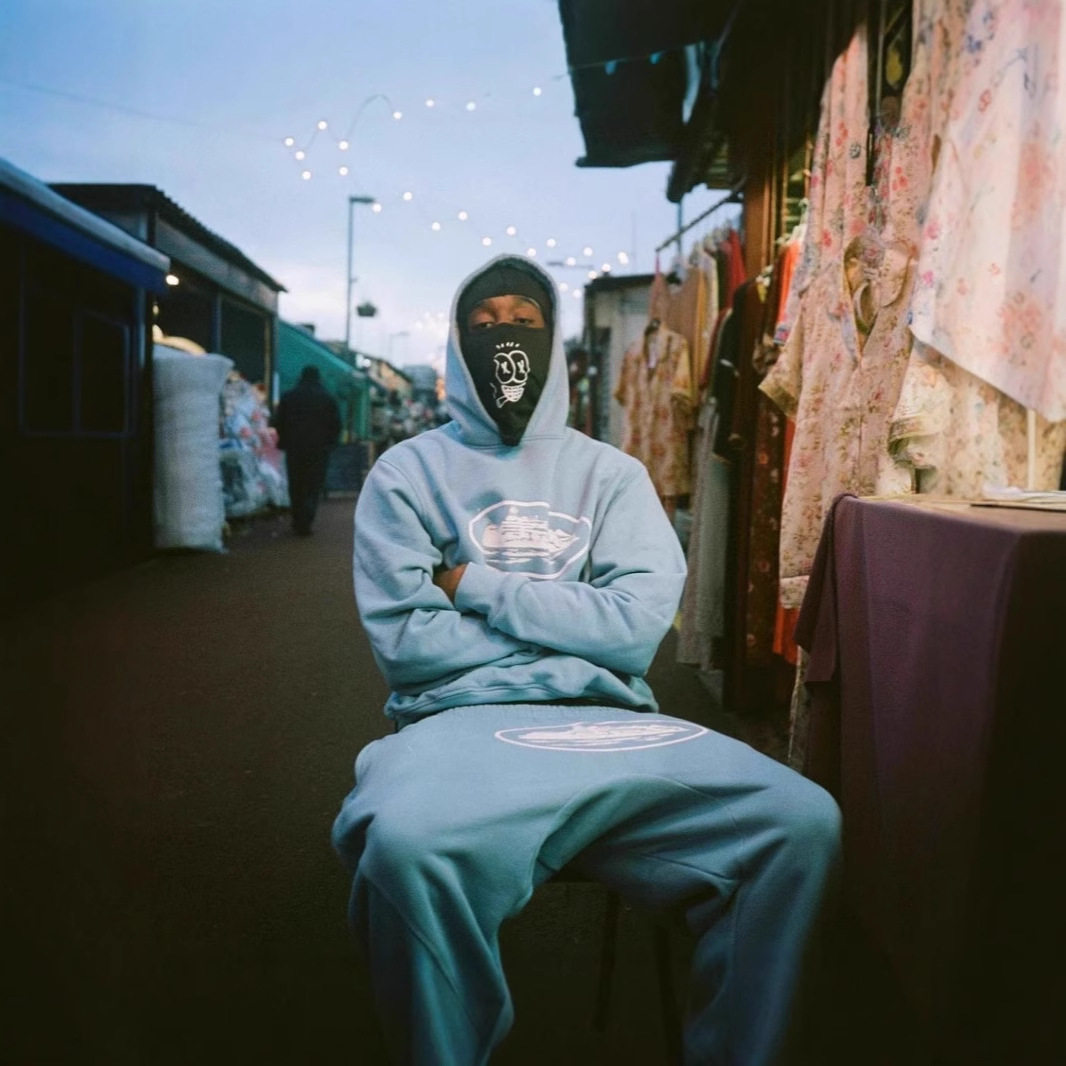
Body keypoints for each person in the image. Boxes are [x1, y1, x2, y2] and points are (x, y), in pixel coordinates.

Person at [331, 255, 841, 1065]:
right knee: (404, 844)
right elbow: (410, 647)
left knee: (800, 822)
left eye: (524, 321)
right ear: (458, 343)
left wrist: (473, 585)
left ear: (554, 337)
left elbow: (635, 630)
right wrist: (577, 623)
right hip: (454, 724)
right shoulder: (406, 474)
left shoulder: (611, 475)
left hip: (611, 721)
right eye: (485, 322)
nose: (505, 336)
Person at [272, 365, 341, 535]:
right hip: (319, 449)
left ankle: (297, 519)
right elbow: (336, 425)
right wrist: (331, 443)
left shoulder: (289, 397)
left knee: (296, 484)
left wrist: (284, 440)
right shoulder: (327, 398)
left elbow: (278, 421)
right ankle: (307, 518)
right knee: (313, 484)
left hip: (294, 447)